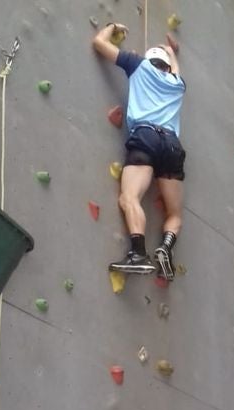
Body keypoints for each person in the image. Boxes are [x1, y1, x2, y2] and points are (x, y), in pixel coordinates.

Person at [92, 23, 186, 278]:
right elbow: (175, 69)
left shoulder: (138, 65)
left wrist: (111, 27)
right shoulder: (177, 84)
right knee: (175, 214)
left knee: (129, 198)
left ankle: (138, 254)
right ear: (167, 66)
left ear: (149, 59)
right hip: (172, 145)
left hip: (145, 137)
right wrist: (172, 52)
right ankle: (166, 247)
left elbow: (99, 43)